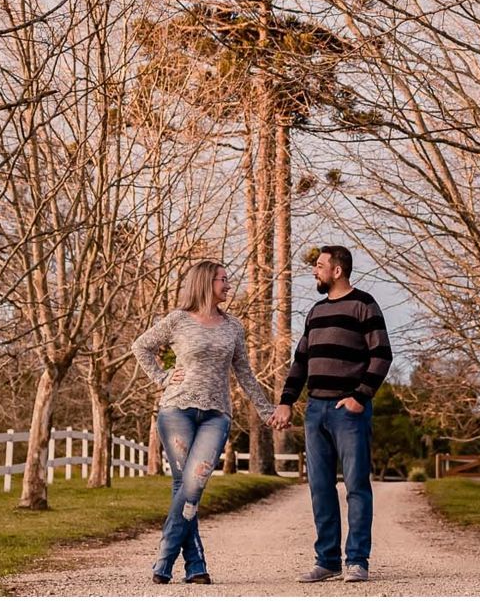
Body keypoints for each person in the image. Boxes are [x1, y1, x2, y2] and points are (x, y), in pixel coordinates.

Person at [131, 259, 276, 585]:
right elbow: (140, 346)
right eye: (222, 279)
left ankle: (164, 558)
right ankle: (195, 567)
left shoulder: (233, 327)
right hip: (176, 410)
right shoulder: (178, 320)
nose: (228, 285)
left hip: (216, 414)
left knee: (192, 484)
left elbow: (245, 374)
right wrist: (162, 377)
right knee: (187, 487)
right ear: (205, 283)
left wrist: (266, 411)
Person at [271, 244, 392, 583]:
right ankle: (327, 561)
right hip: (316, 410)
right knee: (320, 488)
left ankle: (357, 560)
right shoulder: (315, 312)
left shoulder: (364, 305)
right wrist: (286, 400)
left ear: (337, 271)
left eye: (321, 266)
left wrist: (360, 397)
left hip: (348, 412)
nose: (316, 271)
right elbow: (301, 362)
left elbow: (382, 355)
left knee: (355, 487)